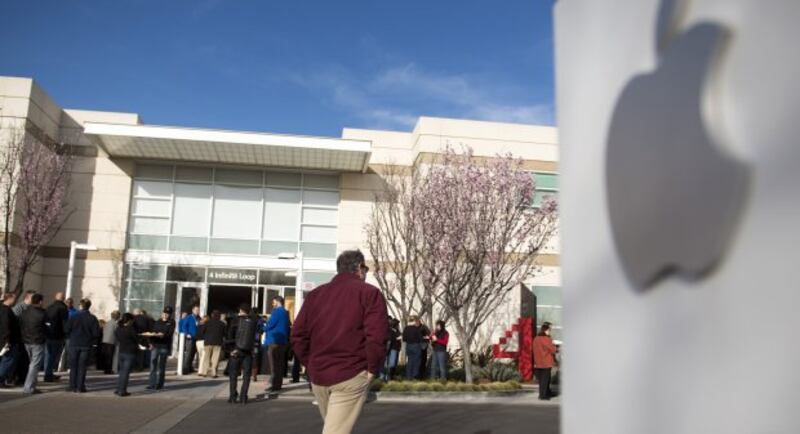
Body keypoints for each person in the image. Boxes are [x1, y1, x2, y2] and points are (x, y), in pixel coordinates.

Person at [292, 250, 389, 434]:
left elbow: (298, 335)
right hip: (351, 372)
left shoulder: (315, 295)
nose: (366, 273)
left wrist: (310, 363)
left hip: (320, 375)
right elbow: (377, 335)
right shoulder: (369, 293)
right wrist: (372, 368)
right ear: (359, 268)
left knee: (336, 428)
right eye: (365, 269)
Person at [65, 298, 99, 393]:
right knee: (82, 366)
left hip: (74, 343)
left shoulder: (74, 317)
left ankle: (72, 386)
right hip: (86, 344)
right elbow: (96, 333)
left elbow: (67, 329)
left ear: (80, 306)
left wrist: (72, 335)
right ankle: (80, 386)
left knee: (73, 366)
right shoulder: (92, 318)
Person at [226, 304, 258, 404]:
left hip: (236, 351)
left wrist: (230, 350)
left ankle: (232, 396)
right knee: (246, 376)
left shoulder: (235, 321)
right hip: (248, 352)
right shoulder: (253, 322)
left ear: (240, 310)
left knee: (233, 375)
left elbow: (229, 336)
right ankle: (243, 397)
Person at [20, 293, 47, 394]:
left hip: (26, 340)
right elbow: (47, 327)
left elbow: (21, 325)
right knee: (35, 364)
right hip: (37, 341)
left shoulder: (24, 312)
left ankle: (32, 385)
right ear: (40, 302)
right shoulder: (42, 313)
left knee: (32, 363)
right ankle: (28, 387)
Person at [264, 295, 290, 393]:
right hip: (283, 342)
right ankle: (278, 385)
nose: (272, 304)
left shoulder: (276, 312)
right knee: (279, 365)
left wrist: (262, 327)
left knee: (273, 365)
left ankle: (274, 385)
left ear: (278, 302)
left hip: (274, 341)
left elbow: (270, 325)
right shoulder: (286, 312)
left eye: (273, 302)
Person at [147, 307, 175, 391]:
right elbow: (153, 332)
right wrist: (151, 342)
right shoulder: (158, 322)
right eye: (164, 313)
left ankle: (160, 384)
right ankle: (152, 384)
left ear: (170, 315)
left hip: (164, 346)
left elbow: (170, 333)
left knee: (161, 366)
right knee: (153, 365)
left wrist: (162, 335)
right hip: (155, 345)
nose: (165, 315)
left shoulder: (171, 322)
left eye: (167, 314)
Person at [44, 291, 68, 382]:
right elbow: (64, 323)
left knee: (48, 355)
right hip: (58, 335)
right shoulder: (63, 308)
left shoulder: (49, 307)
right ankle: (48, 374)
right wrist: (66, 334)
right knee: (54, 356)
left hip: (48, 334)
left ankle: (48, 372)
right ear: (63, 298)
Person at [12, 290, 35, 386]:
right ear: (27, 297)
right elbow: (15, 322)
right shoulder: (19, 308)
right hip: (20, 338)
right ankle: (16, 378)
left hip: (28, 338)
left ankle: (22, 378)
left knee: (25, 360)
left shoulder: (32, 308)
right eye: (33, 297)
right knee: (20, 359)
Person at [114, 313, 138, 397]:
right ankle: (122, 391)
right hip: (130, 352)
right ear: (129, 320)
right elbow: (136, 339)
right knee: (125, 373)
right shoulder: (130, 329)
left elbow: (117, 337)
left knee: (121, 372)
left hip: (121, 351)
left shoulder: (119, 328)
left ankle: (118, 389)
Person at [533, 323, 559, 401]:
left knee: (542, 379)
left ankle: (547, 392)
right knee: (545, 379)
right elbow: (553, 350)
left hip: (538, 361)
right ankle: (543, 395)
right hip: (546, 362)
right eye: (549, 330)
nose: (550, 332)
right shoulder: (546, 339)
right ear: (545, 330)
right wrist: (556, 347)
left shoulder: (536, 338)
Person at [0, 293, 19, 387]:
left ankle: (2, 380)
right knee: (8, 361)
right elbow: (5, 325)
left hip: (5, 339)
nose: (16, 301)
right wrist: (7, 340)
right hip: (8, 340)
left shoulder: (3, 309)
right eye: (15, 299)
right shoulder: (6, 310)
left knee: (6, 361)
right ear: (10, 298)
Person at [202, 310, 225, 378]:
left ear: (212, 315)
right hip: (217, 343)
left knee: (206, 357)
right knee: (215, 358)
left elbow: (203, 331)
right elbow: (224, 333)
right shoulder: (222, 324)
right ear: (219, 316)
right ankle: (214, 373)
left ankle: (204, 372)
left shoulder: (207, 322)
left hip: (208, 342)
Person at [179, 306, 199, 374]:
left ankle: (190, 367)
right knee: (188, 353)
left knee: (193, 353)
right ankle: (185, 369)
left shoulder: (198, 318)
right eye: (196, 310)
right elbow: (184, 326)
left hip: (196, 338)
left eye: (198, 310)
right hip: (190, 338)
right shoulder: (189, 317)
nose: (197, 311)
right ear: (193, 310)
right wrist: (186, 334)